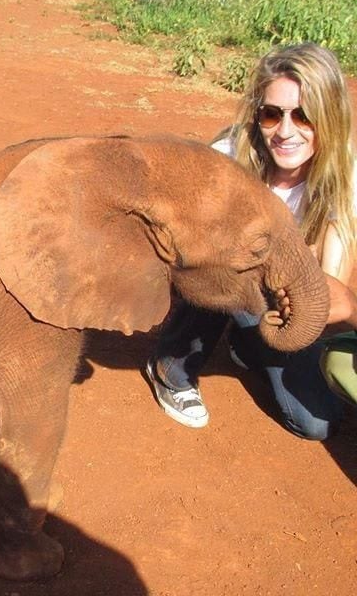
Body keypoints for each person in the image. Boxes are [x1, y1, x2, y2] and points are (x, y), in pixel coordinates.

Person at [143, 42, 357, 440]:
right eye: (272, 114)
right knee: (216, 257)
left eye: (305, 116)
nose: (286, 132)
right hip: (220, 276)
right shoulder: (227, 157)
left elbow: (328, 285)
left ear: (329, 116)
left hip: (278, 294)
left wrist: (315, 303)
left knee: (317, 424)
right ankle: (171, 366)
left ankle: (250, 340)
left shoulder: (345, 175)